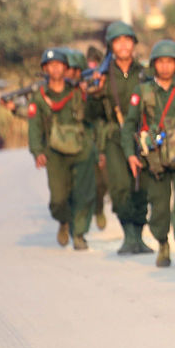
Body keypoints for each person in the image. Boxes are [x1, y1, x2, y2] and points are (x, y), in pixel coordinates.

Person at [122, 39, 175, 269]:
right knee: (159, 205)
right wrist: (130, 154)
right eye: (161, 62)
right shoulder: (143, 91)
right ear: (154, 64)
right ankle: (163, 244)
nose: (165, 67)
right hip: (154, 159)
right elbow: (129, 125)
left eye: (170, 62)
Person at [91, 21, 152, 255]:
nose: (124, 45)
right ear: (111, 46)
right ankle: (128, 235)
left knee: (142, 185)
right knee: (120, 186)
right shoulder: (104, 76)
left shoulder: (144, 72)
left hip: (142, 134)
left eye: (128, 40)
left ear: (134, 44)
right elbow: (92, 114)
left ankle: (139, 234)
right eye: (118, 41)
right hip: (115, 136)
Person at [26, 47, 97, 250]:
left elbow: (92, 116)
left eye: (59, 65)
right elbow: (34, 127)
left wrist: (87, 93)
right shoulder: (39, 97)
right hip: (54, 152)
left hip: (80, 148)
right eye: (51, 65)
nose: (55, 69)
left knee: (83, 194)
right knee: (58, 199)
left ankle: (80, 234)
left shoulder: (77, 91)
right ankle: (64, 221)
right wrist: (37, 152)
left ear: (66, 68)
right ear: (45, 69)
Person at [84, 46, 109, 231]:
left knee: (102, 182)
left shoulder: (105, 81)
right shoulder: (80, 80)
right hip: (84, 139)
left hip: (102, 138)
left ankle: (98, 208)